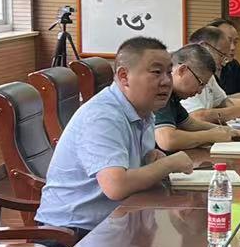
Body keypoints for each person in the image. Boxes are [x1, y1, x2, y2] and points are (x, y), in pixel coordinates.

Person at [35, 35, 197, 235]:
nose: (166, 81)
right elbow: (116, 186)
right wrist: (168, 164)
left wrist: (150, 160)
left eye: (168, 72)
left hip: (114, 222)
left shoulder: (144, 110)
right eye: (156, 72)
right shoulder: (103, 116)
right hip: (72, 232)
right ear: (124, 76)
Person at [155, 45, 240, 154]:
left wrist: (226, 130)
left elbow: (189, 124)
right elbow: (167, 140)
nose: (200, 91)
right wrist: (209, 136)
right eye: (200, 83)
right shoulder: (160, 90)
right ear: (182, 70)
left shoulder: (173, 96)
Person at [181, 25, 240, 123]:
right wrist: (235, 111)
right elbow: (198, 116)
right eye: (221, 55)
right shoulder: (187, 71)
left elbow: (223, 101)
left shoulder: (208, 73)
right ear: (204, 47)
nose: (224, 63)